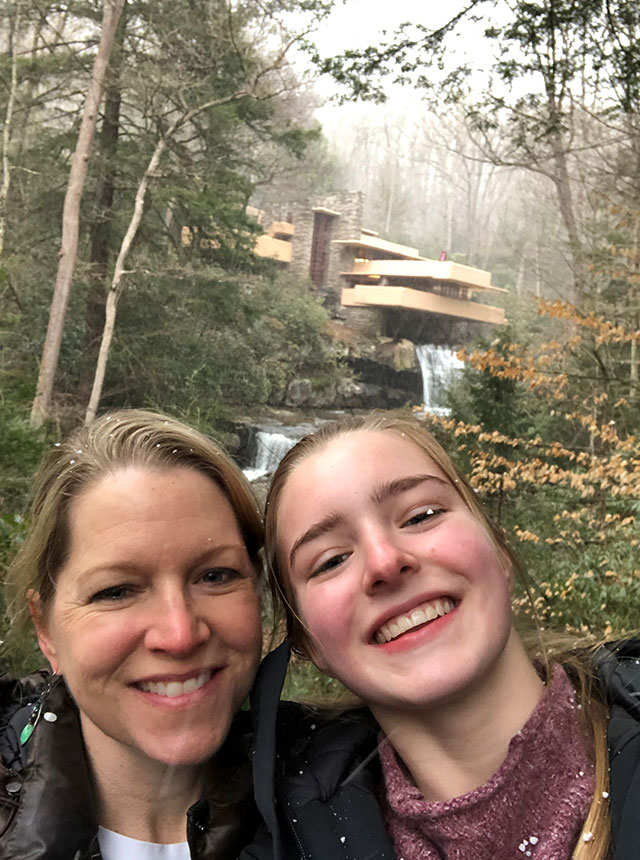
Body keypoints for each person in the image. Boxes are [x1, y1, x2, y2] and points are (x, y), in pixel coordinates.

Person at [251, 414, 640, 860]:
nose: (384, 562)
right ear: (307, 643)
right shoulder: (279, 842)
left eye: (422, 515)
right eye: (332, 560)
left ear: (499, 549)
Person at [2, 409, 265, 860]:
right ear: (46, 628)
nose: (180, 634)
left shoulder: (349, 793)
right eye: (116, 591)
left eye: (216, 576)